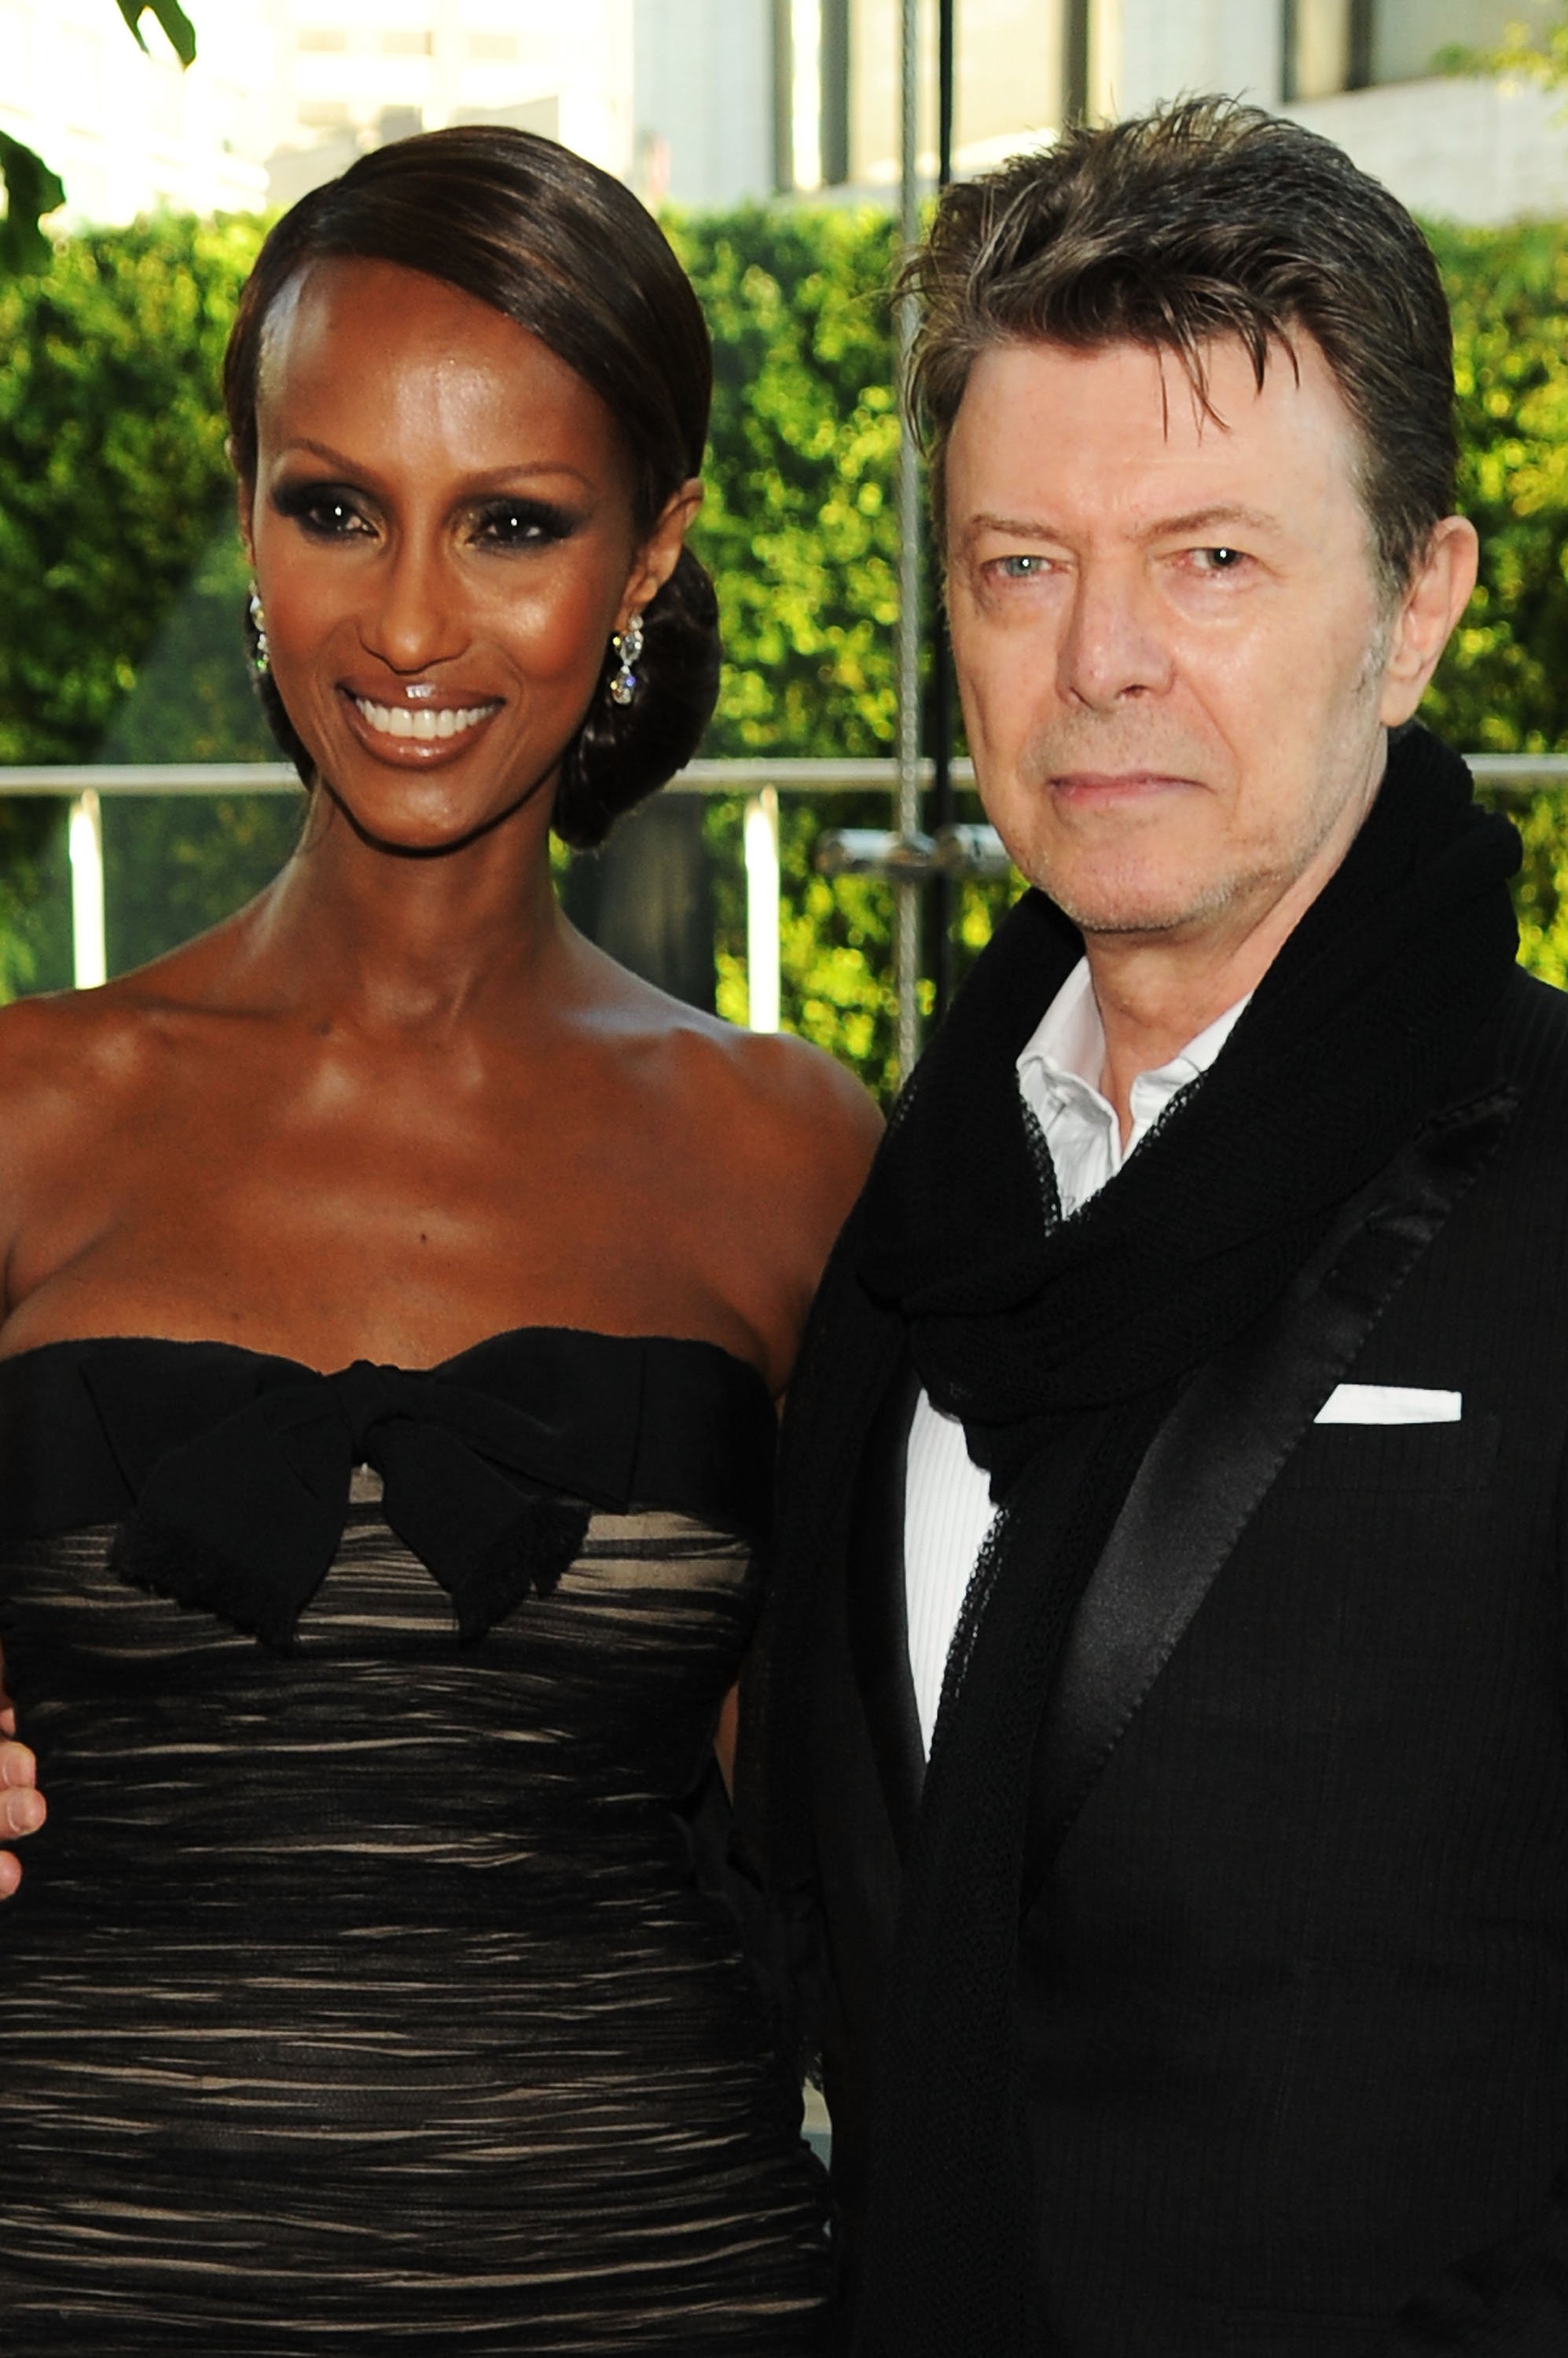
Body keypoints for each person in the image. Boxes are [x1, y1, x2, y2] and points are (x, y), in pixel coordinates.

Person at [0, 125, 879, 2351]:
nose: (405, 624)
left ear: (652, 551)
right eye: (333, 509)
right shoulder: (22, 1109)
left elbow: (888, 1827)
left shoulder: (793, 1151)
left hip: (667, 2292)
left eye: (512, 524)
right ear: (245, 518)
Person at [747, 99, 1568, 2356]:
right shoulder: (914, 1213)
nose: (1096, 656)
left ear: (1415, 609)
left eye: (1209, 559)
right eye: (1020, 563)